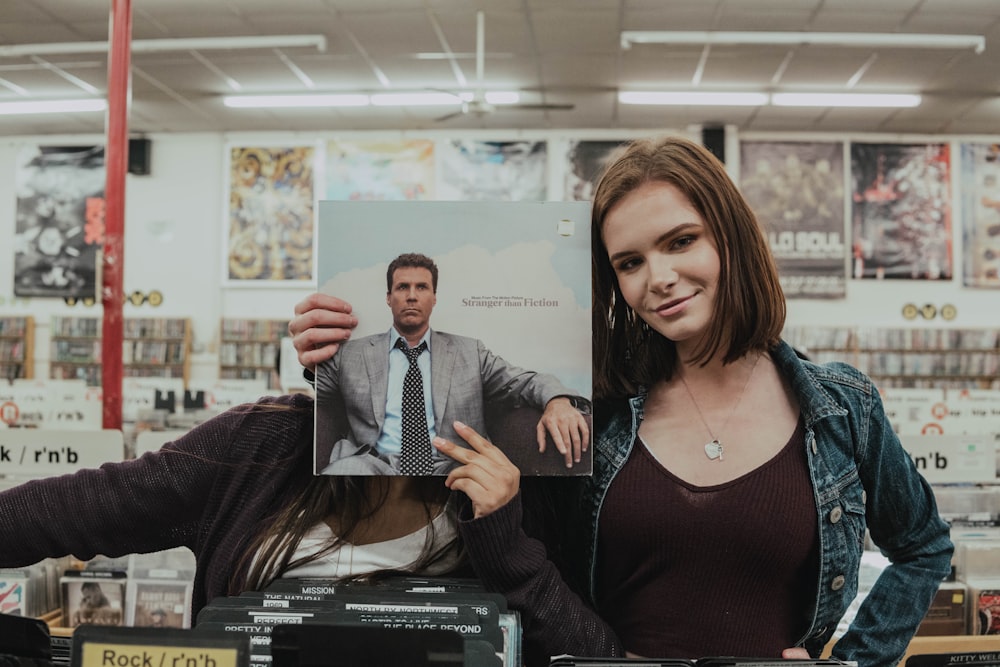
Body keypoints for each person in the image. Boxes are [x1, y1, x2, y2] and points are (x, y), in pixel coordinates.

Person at [290, 136, 954, 667]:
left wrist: (854, 661)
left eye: (681, 241)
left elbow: (923, 545)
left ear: (730, 235)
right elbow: (510, 555)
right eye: (629, 263)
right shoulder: (603, 415)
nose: (658, 278)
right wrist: (324, 363)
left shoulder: (840, 407)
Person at [0, 391, 468, 618]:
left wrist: (500, 528)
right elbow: (93, 504)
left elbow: (542, 632)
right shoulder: (268, 439)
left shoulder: (527, 480)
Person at [312, 251, 589, 475]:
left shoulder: (470, 351)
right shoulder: (352, 353)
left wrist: (558, 402)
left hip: (452, 467)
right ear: (388, 298)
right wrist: (308, 354)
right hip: (376, 465)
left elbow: (526, 381)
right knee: (345, 469)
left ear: (434, 298)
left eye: (421, 287)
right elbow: (319, 392)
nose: (411, 295)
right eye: (402, 287)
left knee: (483, 480)